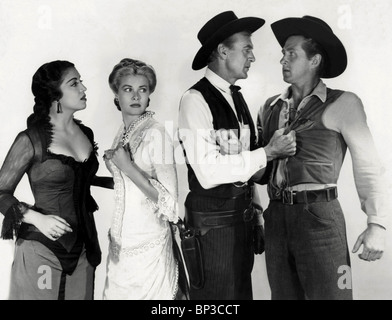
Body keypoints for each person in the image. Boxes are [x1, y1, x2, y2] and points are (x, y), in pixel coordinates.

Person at [257, 16, 388, 300]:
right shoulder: (269, 107)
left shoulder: (344, 103)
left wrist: (376, 223)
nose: (282, 60)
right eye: (283, 54)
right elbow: (256, 168)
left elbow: (369, 166)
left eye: (291, 54)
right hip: (277, 216)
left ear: (314, 60)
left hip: (320, 218)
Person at [178, 11, 296, 300]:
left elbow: (248, 166)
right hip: (212, 229)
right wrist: (268, 152)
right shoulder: (194, 100)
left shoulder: (237, 97)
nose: (252, 57)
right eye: (247, 49)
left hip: (239, 225)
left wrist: (255, 216)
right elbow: (208, 173)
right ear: (222, 51)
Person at [0, 60, 113, 300]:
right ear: (55, 95)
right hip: (42, 247)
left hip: (84, 248)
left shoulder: (86, 133)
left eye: (81, 81)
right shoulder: (31, 139)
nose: (83, 88)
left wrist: (124, 178)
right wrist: (34, 217)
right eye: (74, 83)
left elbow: (77, 180)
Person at [102, 58, 188, 300]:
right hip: (121, 248)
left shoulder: (156, 133)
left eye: (143, 89)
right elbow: (126, 186)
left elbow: (171, 206)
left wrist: (127, 167)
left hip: (149, 247)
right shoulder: (124, 131)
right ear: (116, 95)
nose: (136, 96)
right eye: (128, 89)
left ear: (150, 95)